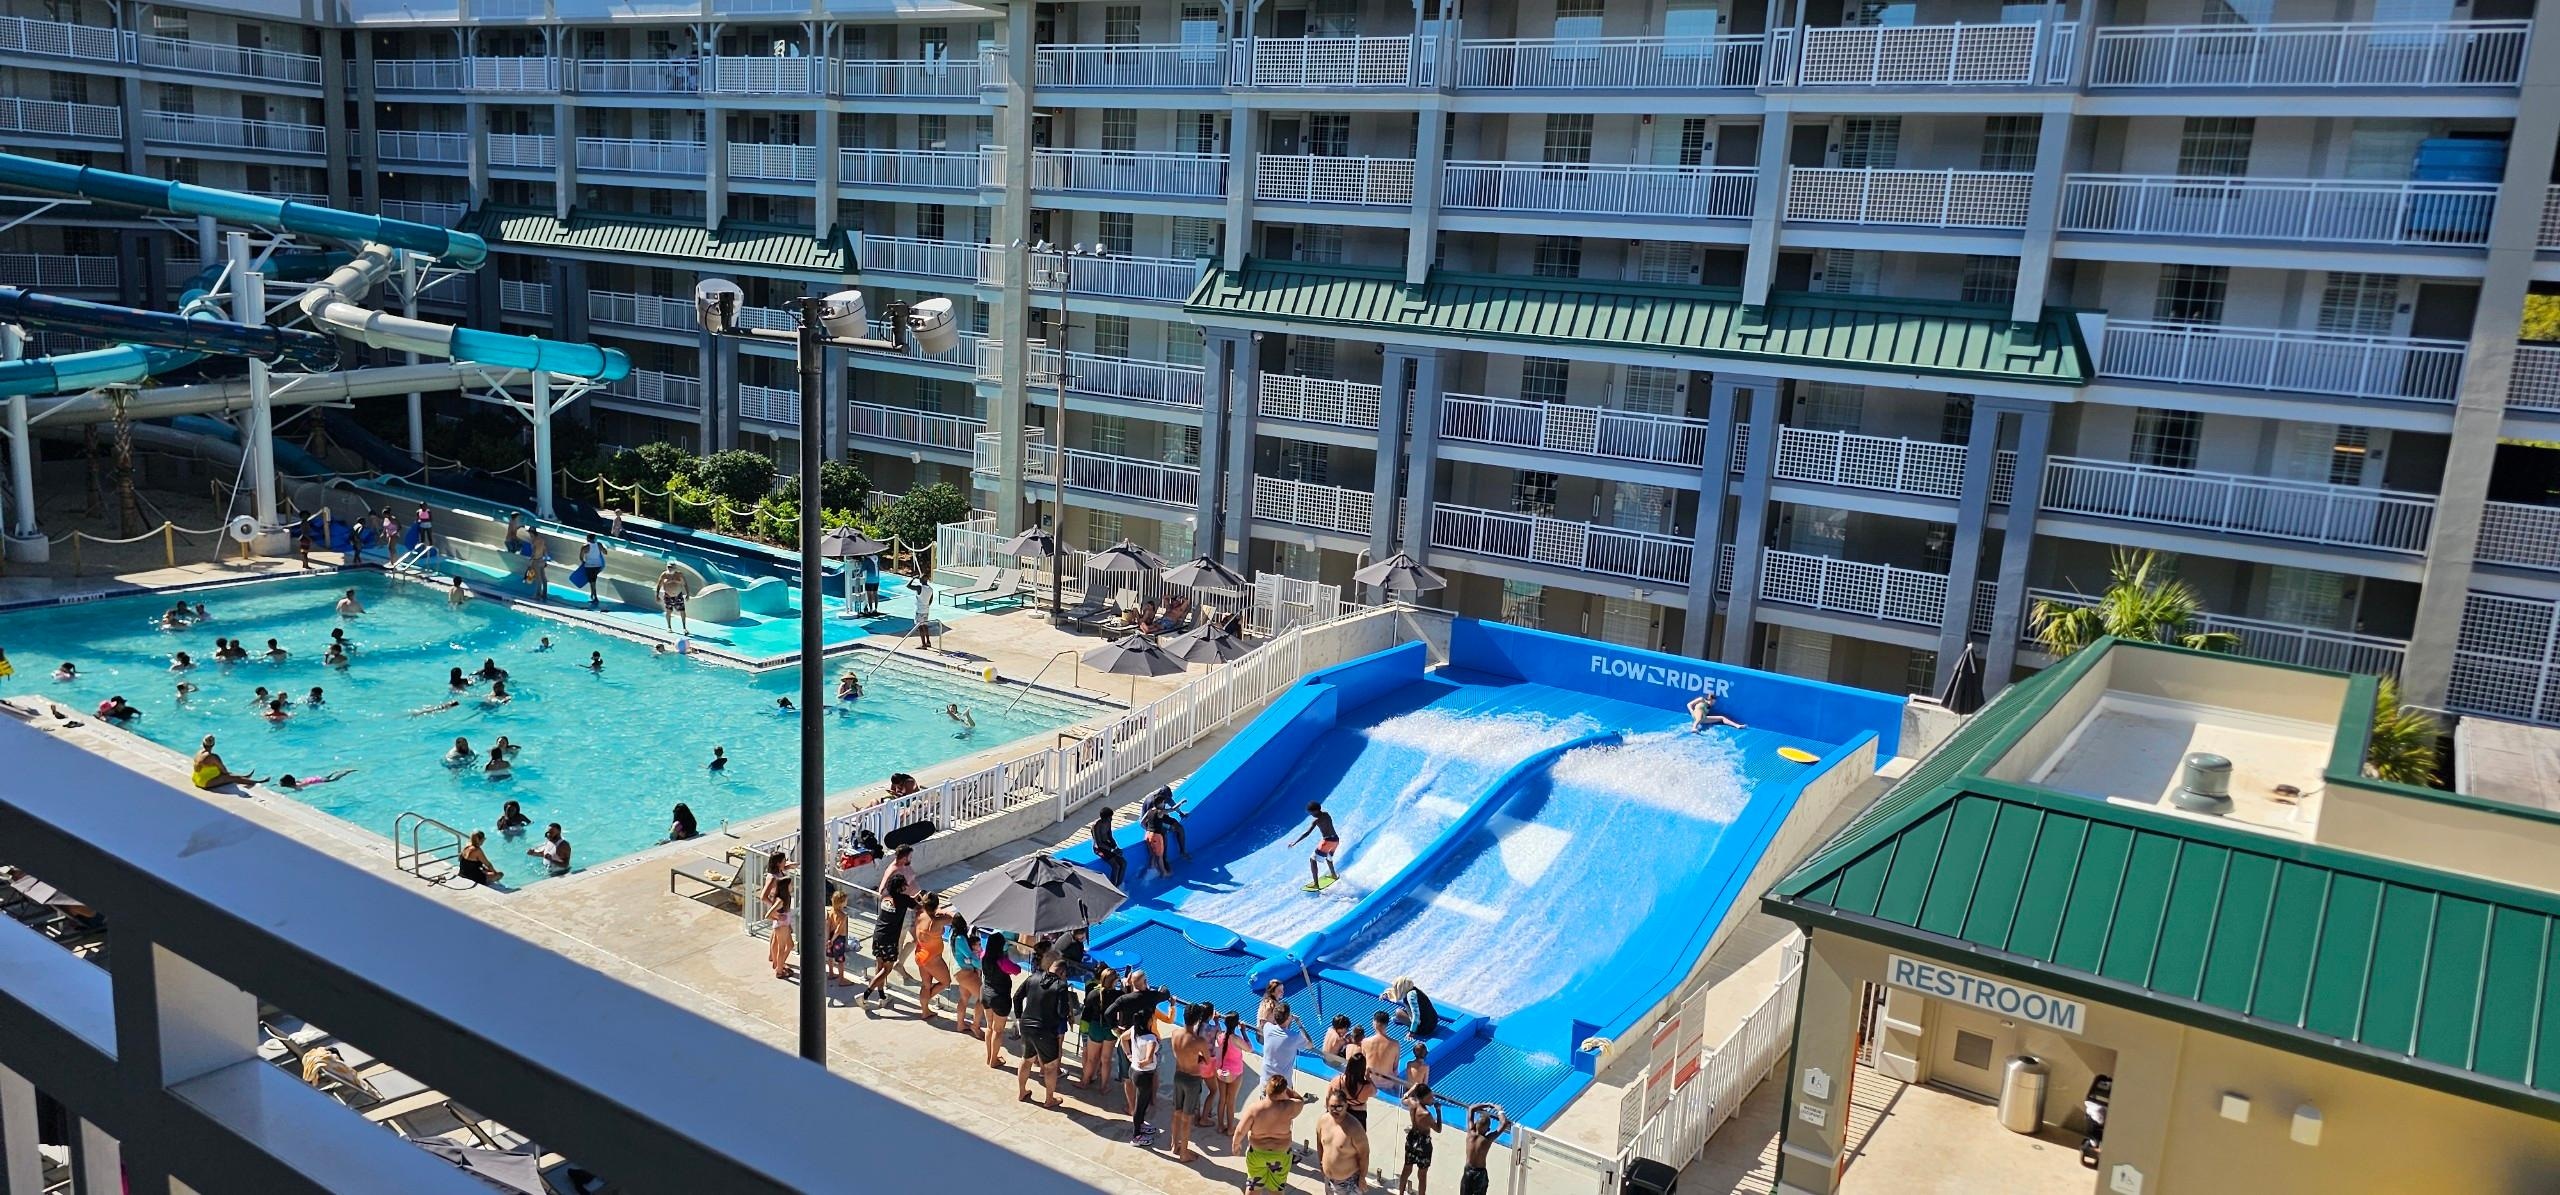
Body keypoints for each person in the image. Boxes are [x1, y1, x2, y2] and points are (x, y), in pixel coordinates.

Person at [1014, 956, 1074, 1109]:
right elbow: (1062, 1012)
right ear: (1062, 972)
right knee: (1050, 1066)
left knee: (1026, 1059)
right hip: (1045, 1029)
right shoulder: (1060, 986)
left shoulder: (1033, 978)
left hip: (1027, 1025)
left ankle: (1022, 1092)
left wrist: (1020, 1017)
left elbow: (1017, 997)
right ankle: (1049, 1099)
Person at [1235, 1074, 1310, 1195]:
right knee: (1276, 1188)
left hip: (1257, 1153)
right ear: (1283, 1092)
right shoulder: (1290, 1107)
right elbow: (1300, 1100)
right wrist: (1287, 1090)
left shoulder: (1254, 1109)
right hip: (1280, 1154)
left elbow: (1240, 1131)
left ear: (1266, 1089)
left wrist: (1236, 1144)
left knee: (1253, 1185)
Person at [862, 874, 914, 1007]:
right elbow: (918, 906)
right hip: (890, 940)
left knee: (879, 966)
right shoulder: (904, 899)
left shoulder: (885, 895)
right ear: (901, 887)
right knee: (887, 969)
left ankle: (882, 995)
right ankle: (865, 995)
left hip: (878, 935)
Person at [1120, 1009, 1163, 1147]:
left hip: (1133, 1071)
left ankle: (1141, 1124)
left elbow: (1122, 1038)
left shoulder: (1134, 1030)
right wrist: (1143, 1062)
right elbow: (1148, 1059)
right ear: (1148, 1021)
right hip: (1144, 1075)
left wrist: (1129, 1055)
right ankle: (1136, 1135)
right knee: (1140, 1105)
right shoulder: (1150, 1039)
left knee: (1143, 1102)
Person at [1078, 966, 1122, 1096]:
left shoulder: (1094, 993)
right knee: (1106, 1060)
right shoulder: (1119, 995)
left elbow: (1087, 1003)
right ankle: (1104, 1087)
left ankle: (1084, 1082)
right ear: (1114, 982)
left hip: (1096, 1027)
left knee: (1091, 1058)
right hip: (1110, 1029)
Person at [1318, 1090, 1372, 1195]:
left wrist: (1362, 1178)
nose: (1335, 1110)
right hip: (1328, 1180)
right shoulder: (1322, 1121)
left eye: (1339, 1107)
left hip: (1349, 1184)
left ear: (1346, 1106)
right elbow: (1320, 1145)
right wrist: (1321, 1165)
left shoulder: (1355, 1128)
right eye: (1332, 1107)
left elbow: (1364, 1155)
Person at [913, 892, 955, 1021]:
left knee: (926, 984)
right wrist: (942, 911)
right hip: (933, 958)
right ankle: (925, 1001)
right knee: (946, 982)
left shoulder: (920, 913)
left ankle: (925, 1010)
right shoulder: (936, 921)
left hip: (920, 953)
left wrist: (937, 910)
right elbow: (955, 917)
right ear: (936, 905)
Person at [1398, 1083, 1443, 1195]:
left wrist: (1413, 1088)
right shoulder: (1426, 1114)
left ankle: (1401, 1193)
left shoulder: (1412, 1102)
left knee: (1406, 1169)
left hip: (1412, 1138)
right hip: (1423, 1144)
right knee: (1422, 1175)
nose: (1432, 1099)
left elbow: (1403, 1099)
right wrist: (1438, 1110)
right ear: (1422, 1098)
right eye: (1429, 1097)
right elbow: (1438, 1129)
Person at [978, 932, 1014, 1069]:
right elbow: (1016, 970)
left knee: (989, 1027)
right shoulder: (1002, 962)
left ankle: (989, 1056)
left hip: (986, 993)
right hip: (1000, 997)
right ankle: (994, 1060)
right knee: (998, 1031)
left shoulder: (983, 956)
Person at [1213, 1009, 1250, 1135]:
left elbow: (1217, 1031)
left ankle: (1219, 1126)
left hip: (1220, 1072)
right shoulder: (1236, 1039)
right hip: (1234, 1073)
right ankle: (1230, 1128)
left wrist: (1216, 1021)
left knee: (1222, 1099)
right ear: (1236, 1024)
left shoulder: (1220, 1036)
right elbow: (1250, 1049)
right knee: (1231, 1101)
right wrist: (1244, 1032)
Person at [1291, 799, 1343, 888]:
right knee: (1328, 857)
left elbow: (1307, 833)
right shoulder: (1326, 814)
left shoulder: (1316, 821)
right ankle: (1333, 874)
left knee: (1312, 859)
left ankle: (1316, 884)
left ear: (1315, 811)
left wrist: (1295, 842)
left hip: (1327, 841)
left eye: (1310, 812)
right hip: (1335, 840)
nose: (1310, 814)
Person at [1261, 1003, 1314, 1090]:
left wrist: (1287, 1020)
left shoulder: (1267, 1028)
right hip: (1283, 1085)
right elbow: (1310, 1045)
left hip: (1266, 1080)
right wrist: (1299, 1024)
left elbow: (1275, 1026)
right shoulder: (1294, 1037)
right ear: (1289, 1017)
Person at [760, 853, 795, 980]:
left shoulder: (780, 874)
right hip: (780, 914)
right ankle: (779, 967)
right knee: (784, 945)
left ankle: (775, 961)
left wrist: (788, 867)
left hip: (781, 915)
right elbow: (763, 896)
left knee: (777, 939)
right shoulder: (773, 878)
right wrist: (776, 908)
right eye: (783, 860)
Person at [1459, 1106, 1505, 1195]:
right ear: (1488, 1129)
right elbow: (1503, 1123)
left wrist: (1487, 1104)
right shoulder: (1487, 1139)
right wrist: (1499, 1110)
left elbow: (1471, 1109)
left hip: (1468, 1170)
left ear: (1475, 1124)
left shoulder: (1470, 1133)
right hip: (1479, 1173)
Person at [191, 735, 258, 790]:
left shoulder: (199, 752)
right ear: (213, 744)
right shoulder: (213, 757)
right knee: (231, 777)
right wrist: (228, 775)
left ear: (203, 743)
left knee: (227, 775)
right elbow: (224, 771)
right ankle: (257, 782)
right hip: (204, 782)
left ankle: (244, 776)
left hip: (195, 778)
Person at [1330, 1052, 1377, 1132]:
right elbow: (1375, 1092)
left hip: (1341, 1113)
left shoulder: (1337, 1081)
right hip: (1358, 1117)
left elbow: (1329, 1097)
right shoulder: (1366, 1087)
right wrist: (1368, 1078)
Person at [1142, 784, 1190, 860]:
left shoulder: (1164, 797)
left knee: (1179, 828)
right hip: (1152, 820)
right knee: (1163, 834)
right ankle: (1164, 858)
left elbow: (1172, 804)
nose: (1167, 801)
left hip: (1161, 816)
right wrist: (1149, 829)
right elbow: (1146, 819)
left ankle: (1182, 851)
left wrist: (1180, 813)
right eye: (1165, 799)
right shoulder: (1151, 802)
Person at [1363, 1012, 1402, 1096]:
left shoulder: (1365, 1042)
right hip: (1387, 1084)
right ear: (1387, 1024)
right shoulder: (1395, 1044)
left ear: (1374, 1023)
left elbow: (1362, 1064)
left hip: (1369, 1082)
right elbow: (1395, 1068)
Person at [1090, 805, 1128, 887]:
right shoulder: (1096, 826)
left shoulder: (1108, 822)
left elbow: (1110, 836)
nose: (1111, 819)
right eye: (1109, 818)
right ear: (1104, 818)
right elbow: (1099, 843)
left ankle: (1119, 886)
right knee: (1116, 866)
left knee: (1124, 863)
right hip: (1099, 849)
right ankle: (1112, 887)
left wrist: (1116, 847)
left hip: (1107, 845)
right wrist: (1112, 850)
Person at [823, 889, 851, 986]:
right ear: (841, 903)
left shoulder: (830, 911)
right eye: (845, 900)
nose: (847, 902)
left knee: (830, 957)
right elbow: (838, 930)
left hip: (830, 937)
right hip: (838, 939)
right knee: (840, 960)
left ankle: (830, 973)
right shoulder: (843, 916)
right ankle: (841, 979)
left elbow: (828, 925)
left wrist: (828, 940)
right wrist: (833, 939)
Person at [656, 563, 689, 632]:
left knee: (682, 611)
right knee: (668, 611)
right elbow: (659, 585)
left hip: (678, 595)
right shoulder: (664, 575)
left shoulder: (679, 574)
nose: (670, 568)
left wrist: (687, 594)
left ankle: (684, 628)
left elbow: (685, 584)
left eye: (671, 567)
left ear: (675, 568)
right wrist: (657, 595)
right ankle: (669, 627)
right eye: (668, 567)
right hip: (668, 595)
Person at [910, 570, 936, 650]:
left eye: (920, 578)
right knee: (925, 626)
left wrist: (913, 579)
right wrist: (926, 605)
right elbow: (931, 600)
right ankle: (928, 641)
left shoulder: (919, 588)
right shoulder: (930, 589)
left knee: (920, 627)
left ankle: (923, 644)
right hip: (926, 610)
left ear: (922, 580)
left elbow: (908, 586)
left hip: (920, 610)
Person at [276, 770, 354, 790]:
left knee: (334, 779)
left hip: (318, 781)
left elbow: (300, 790)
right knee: (328, 776)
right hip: (313, 778)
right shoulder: (296, 783)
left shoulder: (297, 786)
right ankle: (336, 771)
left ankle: (345, 772)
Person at [859, 551, 882, 616]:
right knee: (875, 593)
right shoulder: (877, 558)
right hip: (877, 580)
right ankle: (876, 609)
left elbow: (861, 570)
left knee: (869, 595)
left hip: (869, 580)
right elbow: (879, 567)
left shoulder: (867, 561)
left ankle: (871, 609)